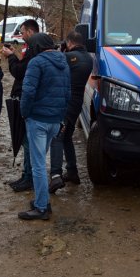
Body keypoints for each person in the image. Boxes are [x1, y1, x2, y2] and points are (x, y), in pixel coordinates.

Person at [18, 33, 70, 220]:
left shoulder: (36, 62)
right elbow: (67, 93)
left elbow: (28, 91)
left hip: (38, 120)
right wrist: (62, 118)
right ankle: (42, 200)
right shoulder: (64, 62)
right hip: (55, 121)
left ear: (37, 46)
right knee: (40, 161)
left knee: (38, 164)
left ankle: (41, 207)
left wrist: (24, 113)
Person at [48, 31, 93, 193]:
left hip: (65, 102)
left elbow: (54, 67)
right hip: (77, 103)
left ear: (69, 42)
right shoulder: (88, 58)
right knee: (67, 137)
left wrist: (61, 52)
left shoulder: (68, 57)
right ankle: (72, 172)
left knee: (57, 136)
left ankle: (56, 176)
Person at [0, 19, 39, 192]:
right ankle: (26, 175)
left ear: (30, 32)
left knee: (27, 141)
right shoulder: (35, 49)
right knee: (25, 140)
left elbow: (19, 72)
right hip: (26, 99)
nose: (22, 36)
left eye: (22, 33)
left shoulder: (35, 50)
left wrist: (10, 57)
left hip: (27, 100)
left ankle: (29, 178)